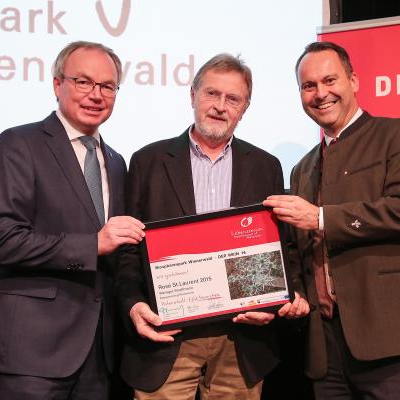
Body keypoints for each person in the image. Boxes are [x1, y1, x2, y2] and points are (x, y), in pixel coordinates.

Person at [115, 53, 308, 400]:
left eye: (232, 98)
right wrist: (132, 302)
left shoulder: (266, 166)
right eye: (211, 94)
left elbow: (279, 246)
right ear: (193, 95)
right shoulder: (148, 161)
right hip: (169, 338)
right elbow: (130, 248)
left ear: (245, 107)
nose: (220, 106)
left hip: (242, 343)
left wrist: (275, 300)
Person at [264, 41, 400, 399]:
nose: (320, 94)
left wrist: (319, 217)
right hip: (325, 348)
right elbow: (297, 249)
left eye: (329, 80)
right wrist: (295, 292)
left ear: (354, 81)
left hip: (391, 336)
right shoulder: (302, 168)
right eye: (308, 86)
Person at [0, 41, 145, 399]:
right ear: (57, 84)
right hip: (28, 353)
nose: (96, 95)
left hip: (96, 354)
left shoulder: (115, 161)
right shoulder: (18, 143)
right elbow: (1, 240)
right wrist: (93, 244)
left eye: (107, 86)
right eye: (83, 82)